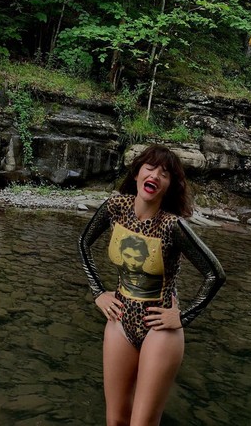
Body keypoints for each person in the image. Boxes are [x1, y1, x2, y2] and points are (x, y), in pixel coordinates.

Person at [79, 144, 226, 426]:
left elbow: (214, 274)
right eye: (150, 167)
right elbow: (83, 243)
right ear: (136, 173)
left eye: (165, 174)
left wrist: (182, 317)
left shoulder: (172, 226)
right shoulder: (115, 208)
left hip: (160, 328)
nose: (156, 175)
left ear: (168, 187)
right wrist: (98, 292)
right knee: (115, 419)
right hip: (120, 320)